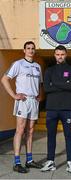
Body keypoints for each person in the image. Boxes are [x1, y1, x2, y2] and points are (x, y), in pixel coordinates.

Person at [1, 41, 43, 173]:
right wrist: (14, 95)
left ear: (34, 51)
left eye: (32, 48)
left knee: (30, 131)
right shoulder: (18, 64)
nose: (30, 50)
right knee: (20, 130)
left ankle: (29, 160)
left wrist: (40, 95)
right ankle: (17, 162)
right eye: (28, 48)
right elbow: (4, 79)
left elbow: (40, 84)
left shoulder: (37, 66)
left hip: (33, 101)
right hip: (23, 101)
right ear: (24, 50)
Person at [41, 45, 71, 173]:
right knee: (51, 135)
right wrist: (64, 84)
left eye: (62, 54)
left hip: (67, 108)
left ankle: (70, 162)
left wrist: (54, 83)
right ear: (54, 55)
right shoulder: (49, 70)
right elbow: (46, 88)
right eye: (57, 54)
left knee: (68, 135)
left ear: (66, 55)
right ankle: (50, 161)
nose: (60, 56)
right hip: (51, 108)